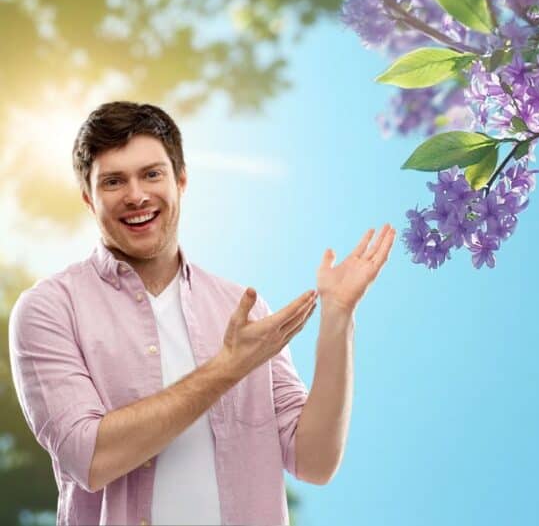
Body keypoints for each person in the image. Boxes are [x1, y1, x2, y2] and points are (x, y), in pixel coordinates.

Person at [8, 101, 395, 525]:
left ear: (181, 180)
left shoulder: (241, 309)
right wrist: (228, 368)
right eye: (114, 181)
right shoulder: (48, 310)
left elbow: (315, 461)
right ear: (88, 198)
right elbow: (91, 457)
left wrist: (338, 317)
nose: (136, 195)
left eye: (152, 174)